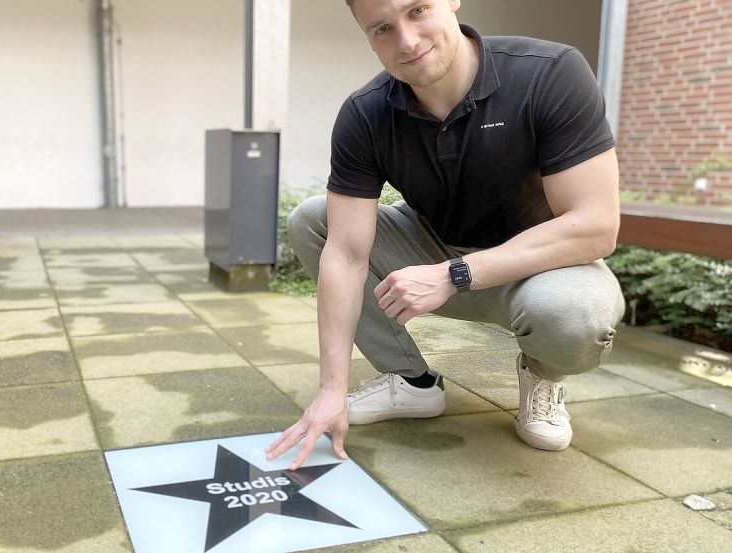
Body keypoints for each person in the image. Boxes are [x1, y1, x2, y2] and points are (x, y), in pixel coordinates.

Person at [266, 0, 625, 470]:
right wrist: (330, 390)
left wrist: (455, 274)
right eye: (381, 29)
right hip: (432, 249)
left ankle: (542, 377)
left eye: (417, 10)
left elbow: (596, 226)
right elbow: (347, 253)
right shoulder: (365, 113)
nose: (406, 41)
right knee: (313, 220)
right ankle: (410, 382)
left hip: (538, 267)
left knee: (577, 314)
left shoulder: (549, 73)